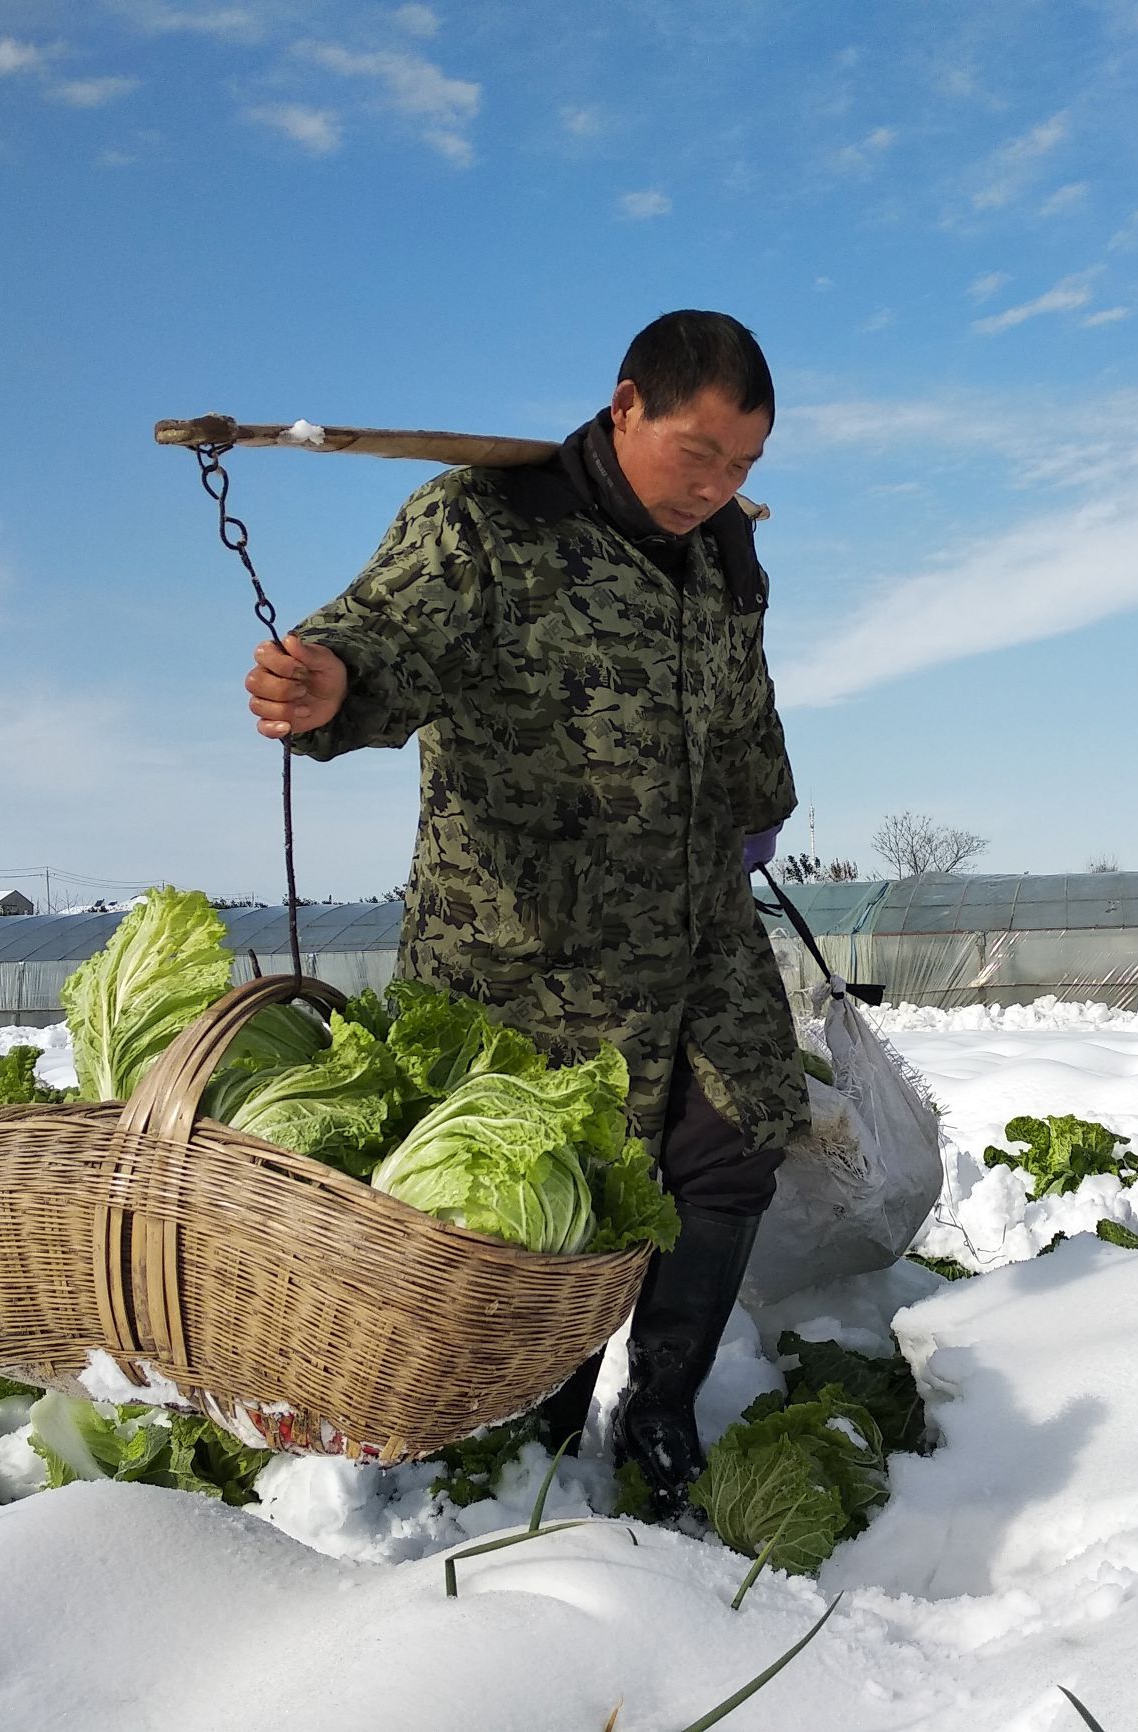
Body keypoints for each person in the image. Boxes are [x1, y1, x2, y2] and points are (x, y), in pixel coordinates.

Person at [243, 311, 806, 1511]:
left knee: (734, 1139)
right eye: (696, 454)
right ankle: (523, 1431)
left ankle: (659, 1403)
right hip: (526, 952)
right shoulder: (489, 522)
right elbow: (382, 634)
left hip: (698, 927)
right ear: (624, 407)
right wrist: (329, 681)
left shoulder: (725, 556)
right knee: (544, 1196)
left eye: (743, 467)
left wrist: (763, 806)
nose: (715, 488)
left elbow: (745, 703)